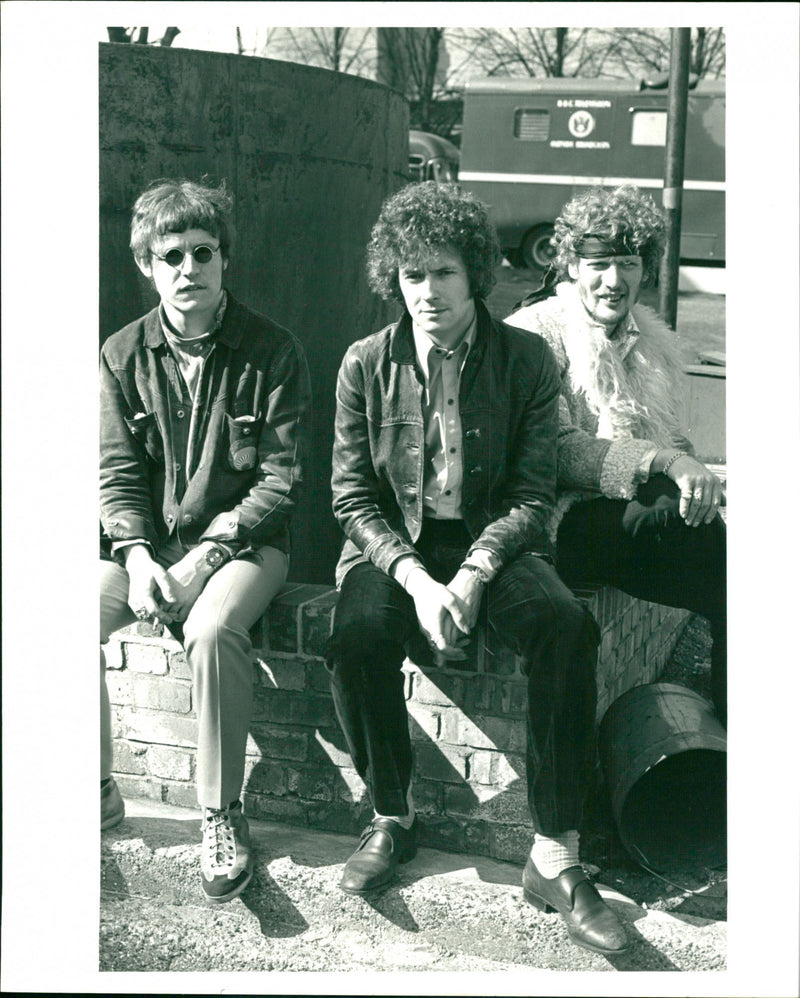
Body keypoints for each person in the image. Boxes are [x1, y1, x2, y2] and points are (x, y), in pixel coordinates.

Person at [325, 181, 630, 956]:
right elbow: (351, 496)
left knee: (565, 625)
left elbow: (532, 489)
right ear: (393, 277)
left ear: (474, 274)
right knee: (356, 635)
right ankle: (392, 815)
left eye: (444, 274)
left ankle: (555, 854)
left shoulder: (526, 358)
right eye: (412, 275)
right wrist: (418, 580)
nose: (427, 292)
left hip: (496, 541)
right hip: (394, 550)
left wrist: (474, 571)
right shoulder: (365, 363)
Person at [99, 178, 311, 904]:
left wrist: (209, 553)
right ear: (146, 266)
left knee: (214, 629)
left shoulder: (272, 351)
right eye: (171, 257)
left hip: (249, 549)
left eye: (203, 253)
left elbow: (282, 481)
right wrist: (133, 555)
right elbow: (117, 473)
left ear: (224, 261)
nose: (188, 269)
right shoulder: (122, 354)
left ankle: (220, 815)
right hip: (148, 549)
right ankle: (95, 789)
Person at [507, 185, 726, 724]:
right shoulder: (536, 332)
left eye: (628, 263)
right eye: (599, 263)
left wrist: (696, 474)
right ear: (571, 266)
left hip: (624, 508)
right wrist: (664, 464)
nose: (614, 280)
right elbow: (556, 452)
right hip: (556, 519)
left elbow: (672, 437)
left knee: (724, 564)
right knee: (697, 547)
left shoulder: (648, 339)